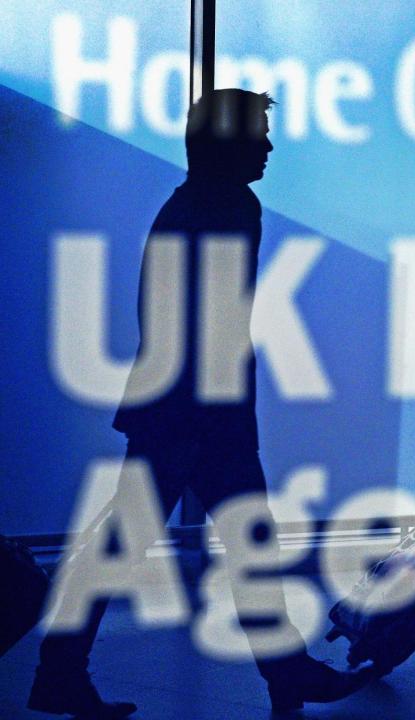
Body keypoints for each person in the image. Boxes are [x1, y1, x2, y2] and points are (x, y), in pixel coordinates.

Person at [28, 89, 374, 720]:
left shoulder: (196, 204)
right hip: (200, 416)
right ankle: (283, 675)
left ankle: (63, 671)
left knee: (155, 544)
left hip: (185, 411)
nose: (268, 146)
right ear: (227, 142)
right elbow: (205, 325)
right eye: (258, 134)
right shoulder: (227, 206)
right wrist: (207, 420)